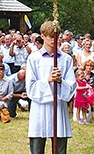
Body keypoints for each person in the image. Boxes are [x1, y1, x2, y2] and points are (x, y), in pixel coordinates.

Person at [26, 21, 76, 154]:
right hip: (40, 108)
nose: (53, 40)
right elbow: (30, 87)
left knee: (59, 148)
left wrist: (60, 81)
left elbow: (71, 86)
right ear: (42, 36)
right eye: (50, 36)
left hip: (58, 107)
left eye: (56, 36)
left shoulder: (66, 59)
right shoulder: (34, 58)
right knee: (37, 148)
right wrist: (47, 80)